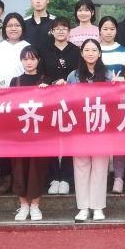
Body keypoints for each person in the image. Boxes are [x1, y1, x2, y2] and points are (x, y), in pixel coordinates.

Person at [66, 39, 114, 221]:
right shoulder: (73, 76)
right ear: (81, 53)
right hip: (80, 127)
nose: (90, 53)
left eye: (94, 50)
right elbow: (67, 100)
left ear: (100, 53)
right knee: (81, 168)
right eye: (87, 50)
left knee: (100, 168)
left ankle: (98, 207)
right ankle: (83, 207)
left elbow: (114, 101)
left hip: (101, 127)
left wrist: (117, 86)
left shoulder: (108, 74)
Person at [0, 12, 30, 194]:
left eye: (17, 25)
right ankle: (6, 178)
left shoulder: (28, 47)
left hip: (24, 100)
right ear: (4, 28)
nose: (13, 28)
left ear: (22, 28)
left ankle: (22, 178)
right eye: (10, 25)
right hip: (1, 100)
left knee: (23, 139)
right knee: (4, 140)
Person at [8, 47, 51, 221]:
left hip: (40, 134)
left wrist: (47, 91)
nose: (29, 62)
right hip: (19, 134)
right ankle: (24, 205)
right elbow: (9, 105)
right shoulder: (15, 81)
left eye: (32, 59)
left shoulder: (45, 80)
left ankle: (35, 206)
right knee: (19, 169)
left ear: (38, 61)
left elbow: (52, 105)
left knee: (37, 169)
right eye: (25, 59)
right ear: (21, 61)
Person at [41, 16, 80, 195]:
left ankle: (66, 178)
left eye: (64, 28)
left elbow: (80, 73)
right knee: (50, 139)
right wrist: (52, 82)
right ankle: (53, 177)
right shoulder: (44, 50)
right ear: (52, 31)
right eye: (57, 28)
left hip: (72, 102)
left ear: (69, 31)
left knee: (69, 139)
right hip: (50, 100)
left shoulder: (76, 51)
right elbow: (41, 74)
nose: (61, 31)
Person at [100, 15, 125, 194]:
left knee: (119, 140)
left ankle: (119, 177)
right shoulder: (93, 49)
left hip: (120, 101)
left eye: (112, 29)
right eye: (105, 29)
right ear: (99, 31)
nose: (108, 32)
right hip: (98, 102)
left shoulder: (124, 51)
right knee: (100, 139)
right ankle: (100, 176)